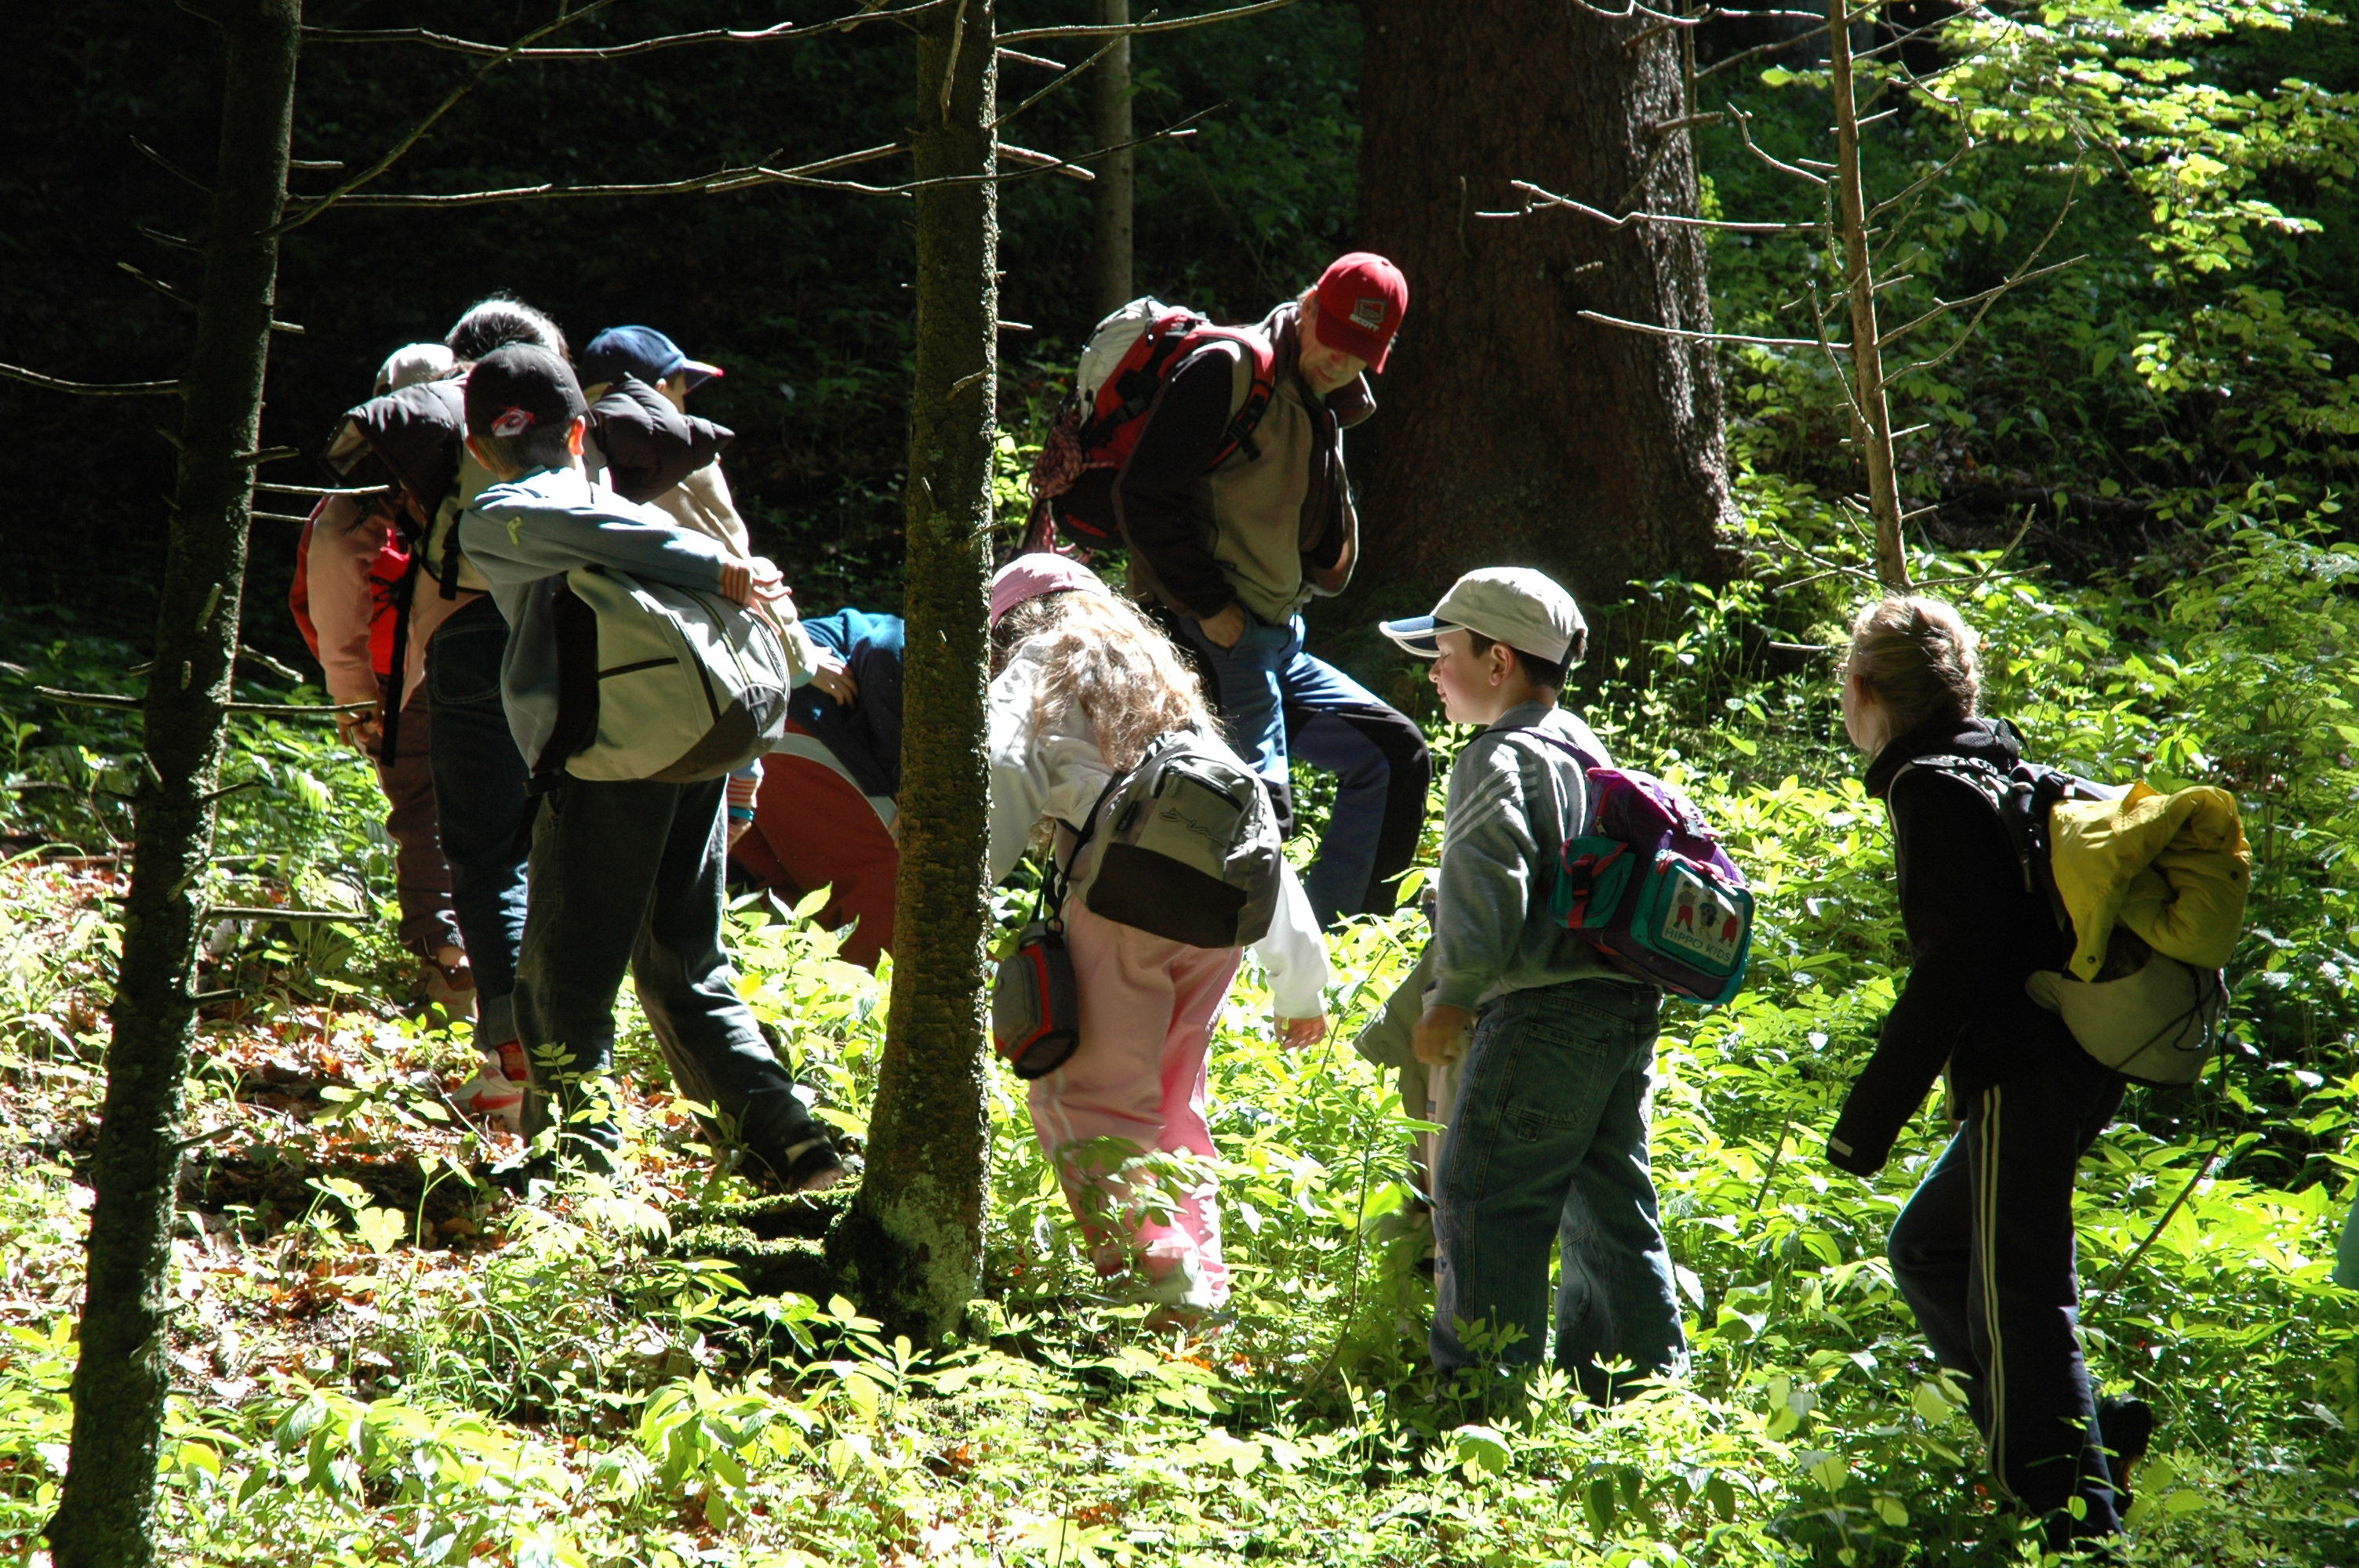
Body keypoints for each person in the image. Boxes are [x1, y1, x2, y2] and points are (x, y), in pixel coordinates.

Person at [453, 343, 842, 1192]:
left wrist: (717, 567)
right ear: (582, 429)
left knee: (561, 975)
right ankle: (792, 1143)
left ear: (480, 447)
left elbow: (551, 523)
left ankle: (577, 1175)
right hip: (694, 744)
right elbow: (600, 528)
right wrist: (721, 565)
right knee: (682, 959)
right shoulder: (634, 513)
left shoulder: (497, 512)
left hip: (608, 760)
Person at [1825, 595, 2146, 1548]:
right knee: (1929, 1246)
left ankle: (2074, 1519)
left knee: (2018, 1290)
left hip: (2025, 1069)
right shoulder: (1996, 761)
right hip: (2072, 1060)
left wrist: (1865, 1121)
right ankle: (2088, 1436)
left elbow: (1955, 966)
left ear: (1865, 690)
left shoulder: (1929, 787)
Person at [987, 554, 1330, 1315]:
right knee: (1176, 1100)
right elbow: (1250, 831)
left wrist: (963, 881)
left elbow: (1005, 761)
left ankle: (1154, 1278)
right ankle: (1202, 1281)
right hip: (1215, 926)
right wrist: (1299, 977)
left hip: (1120, 904)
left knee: (1088, 1098)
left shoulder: (1043, 660)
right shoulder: (1164, 684)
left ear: (1013, 625)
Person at [1382, 568, 1682, 1403]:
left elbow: (1487, 879)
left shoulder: (1494, 758)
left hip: (1539, 1013)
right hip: (1620, 1009)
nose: (1432, 672)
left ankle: (1483, 1402)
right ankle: (1639, 1394)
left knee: (1483, 1197)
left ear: (1497, 661)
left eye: (1444, 653)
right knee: (1609, 1200)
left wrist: (1450, 994)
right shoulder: (1587, 752)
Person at [1113, 253, 1431, 930]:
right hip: (1208, 632)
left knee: (1393, 758)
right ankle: (1234, 977)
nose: (1340, 364)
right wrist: (1209, 604)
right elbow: (1142, 497)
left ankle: (1335, 941)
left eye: (1360, 355)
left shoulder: (1326, 402)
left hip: (1276, 640)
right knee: (1258, 812)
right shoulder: (1230, 370)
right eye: (1335, 341)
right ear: (1311, 305)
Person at [294, 343, 475, 1022]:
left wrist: (355, 693)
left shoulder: (382, 466)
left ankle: (452, 974)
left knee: (426, 803)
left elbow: (339, 554)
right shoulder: (493, 441)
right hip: (514, 650)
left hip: (418, 665)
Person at [731, 607, 905, 971]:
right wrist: (906, 787)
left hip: (737, 733)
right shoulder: (922, 641)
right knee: (895, 878)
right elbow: (884, 649)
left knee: (778, 895)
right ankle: (868, 1012)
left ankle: (776, 1000)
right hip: (789, 719)